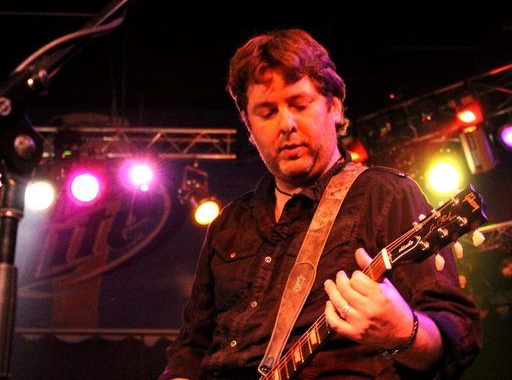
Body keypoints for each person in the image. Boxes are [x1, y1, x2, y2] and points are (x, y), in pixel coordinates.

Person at [159, 28, 482, 380]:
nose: (286, 124)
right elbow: (191, 348)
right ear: (248, 127)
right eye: (267, 112)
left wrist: (405, 333)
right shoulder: (228, 224)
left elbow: (457, 337)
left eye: (299, 104)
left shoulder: (386, 195)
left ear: (335, 106)